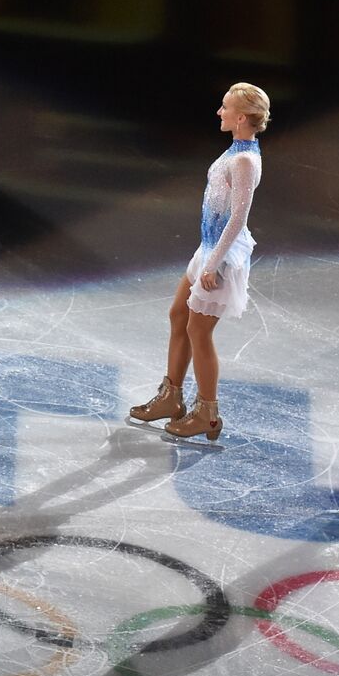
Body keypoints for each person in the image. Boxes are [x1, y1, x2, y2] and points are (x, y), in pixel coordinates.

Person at [128, 82, 269, 441]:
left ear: (240, 117)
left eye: (224, 107)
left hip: (221, 256)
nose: (218, 112)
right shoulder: (236, 151)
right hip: (207, 248)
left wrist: (214, 265)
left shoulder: (244, 161)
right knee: (178, 315)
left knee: (199, 331)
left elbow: (238, 219)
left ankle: (207, 413)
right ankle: (170, 398)